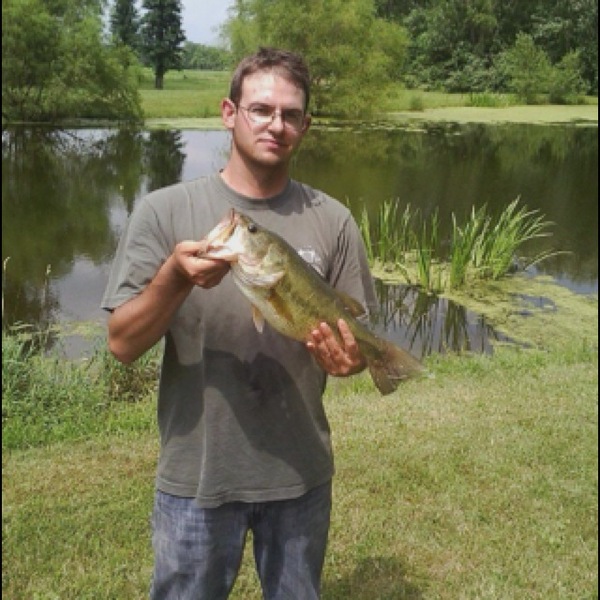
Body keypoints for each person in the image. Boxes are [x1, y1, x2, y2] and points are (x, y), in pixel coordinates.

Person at [102, 47, 377, 599]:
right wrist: (174, 278)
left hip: (299, 473)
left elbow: (352, 346)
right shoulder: (164, 211)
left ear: (305, 126)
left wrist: (352, 362)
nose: (276, 125)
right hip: (197, 477)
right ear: (229, 113)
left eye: (291, 114)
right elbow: (122, 344)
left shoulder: (333, 220)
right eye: (261, 110)